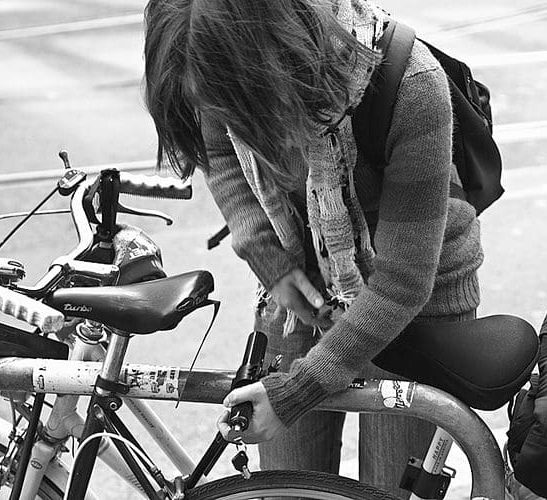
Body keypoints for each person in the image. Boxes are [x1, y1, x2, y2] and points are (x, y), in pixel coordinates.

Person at [143, 0, 483, 496]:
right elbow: (219, 152)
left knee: (386, 490)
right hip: (304, 281)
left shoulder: (412, 84)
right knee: (286, 486)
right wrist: (269, 259)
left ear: (274, 63)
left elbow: (402, 282)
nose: (224, 119)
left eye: (236, 109)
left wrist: (296, 392)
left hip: (416, 303)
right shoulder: (212, 66)